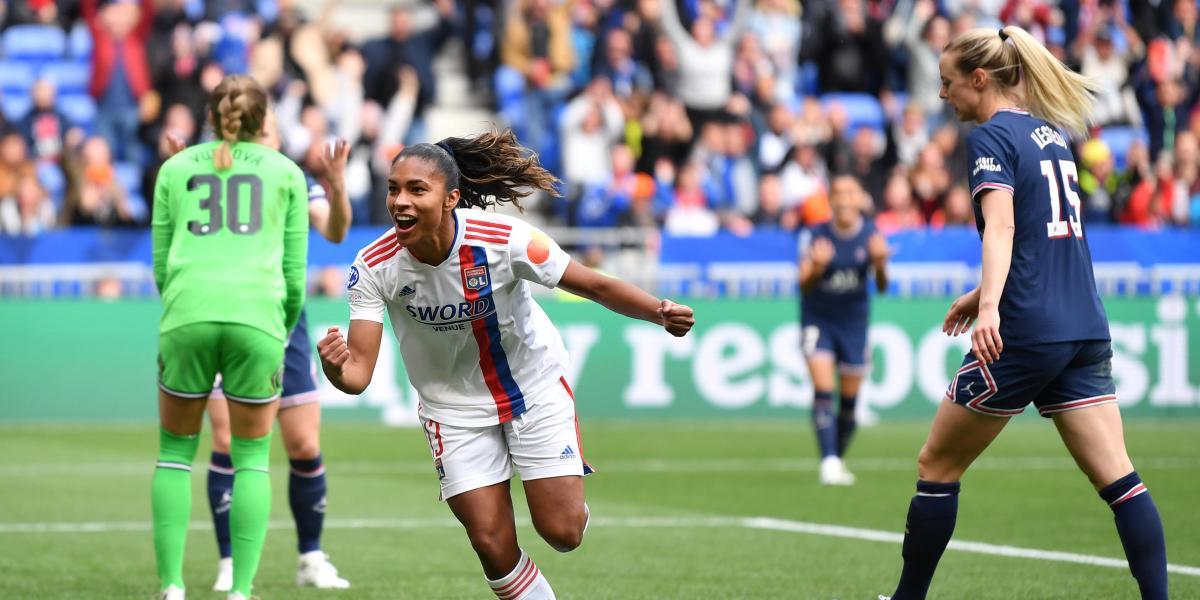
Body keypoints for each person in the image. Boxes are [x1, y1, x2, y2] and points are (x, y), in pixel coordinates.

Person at [316, 129, 695, 599]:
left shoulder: (506, 239)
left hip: (533, 388)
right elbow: (357, 375)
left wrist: (657, 311)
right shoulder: (374, 265)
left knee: (563, 532)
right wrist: (336, 367)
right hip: (451, 411)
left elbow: (592, 285)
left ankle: (568, 492)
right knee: (492, 544)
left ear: (452, 197)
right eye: (394, 189)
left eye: (417, 189)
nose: (400, 201)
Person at [880, 26, 1167, 600]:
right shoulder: (1052, 134)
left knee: (936, 463)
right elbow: (1045, 232)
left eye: (948, 83)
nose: (942, 96)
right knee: (1120, 479)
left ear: (979, 79)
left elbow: (1006, 224)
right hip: (1083, 324)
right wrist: (980, 290)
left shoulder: (991, 136)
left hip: (1025, 330)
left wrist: (990, 307)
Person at [150, 74, 308, 600]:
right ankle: (240, 590)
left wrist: (182, 309)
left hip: (187, 314)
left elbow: (159, 266)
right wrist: (279, 328)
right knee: (252, 458)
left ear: (210, 115)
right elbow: (294, 277)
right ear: (264, 120)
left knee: (175, 451)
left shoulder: (174, 168)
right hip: (257, 319)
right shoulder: (286, 172)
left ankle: (172, 586)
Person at [202, 110, 354, 591]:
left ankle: (310, 557)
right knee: (227, 442)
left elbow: (334, 230)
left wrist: (336, 186)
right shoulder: (217, 184)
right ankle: (229, 560)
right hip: (229, 324)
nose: (264, 138)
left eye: (269, 130)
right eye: (256, 131)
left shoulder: (294, 180)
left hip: (286, 327)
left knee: (305, 445)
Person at [798, 175, 888, 486]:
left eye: (851, 192)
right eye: (838, 193)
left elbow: (882, 286)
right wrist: (818, 268)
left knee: (849, 403)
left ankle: (835, 457)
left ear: (861, 198)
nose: (845, 199)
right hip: (818, 320)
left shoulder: (871, 234)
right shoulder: (815, 235)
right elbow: (803, 284)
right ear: (831, 200)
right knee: (823, 391)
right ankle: (829, 461)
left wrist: (879, 264)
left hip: (854, 323)